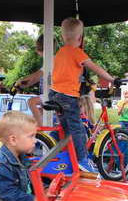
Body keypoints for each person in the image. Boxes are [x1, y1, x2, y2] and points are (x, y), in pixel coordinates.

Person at [48, 18, 115, 173]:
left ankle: (63, 154)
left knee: (66, 127)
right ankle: (82, 159)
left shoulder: (60, 52)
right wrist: (112, 79)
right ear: (80, 38)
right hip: (67, 96)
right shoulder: (77, 52)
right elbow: (95, 68)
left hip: (54, 93)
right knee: (78, 128)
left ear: (63, 36)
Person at [0, 111, 37, 201]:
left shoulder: (21, 156)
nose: (35, 140)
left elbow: (30, 180)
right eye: (31, 136)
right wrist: (34, 200)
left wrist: (44, 189)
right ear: (13, 140)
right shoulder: (1, 164)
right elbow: (8, 195)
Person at [15, 35, 47, 125]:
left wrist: (20, 82)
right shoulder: (51, 59)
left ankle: (42, 131)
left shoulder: (50, 60)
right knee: (35, 117)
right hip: (51, 94)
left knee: (31, 101)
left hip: (52, 94)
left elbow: (35, 76)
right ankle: (41, 129)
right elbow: (34, 79)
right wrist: (23, 84)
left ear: (39, 49)